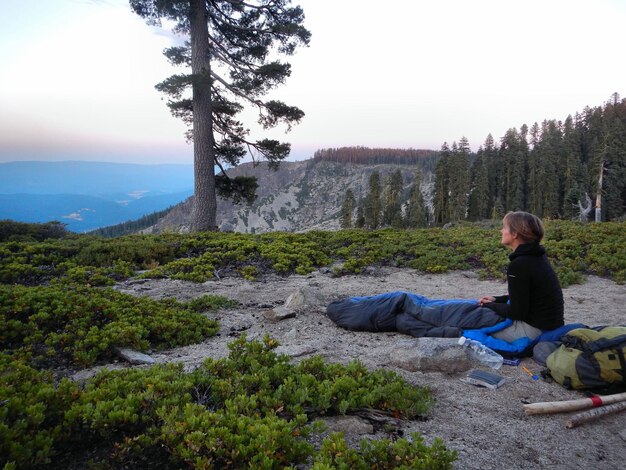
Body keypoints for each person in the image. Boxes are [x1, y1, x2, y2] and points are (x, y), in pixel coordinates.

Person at [478, 211, 564, 342]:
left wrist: (489, 306)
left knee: (475, 330)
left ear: (515, 234)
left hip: (536, 331)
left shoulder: (519, 264)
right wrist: (496, 299)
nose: (501, 230)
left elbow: (517, 312)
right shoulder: (537, 256)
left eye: (505, 227)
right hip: (551, 326)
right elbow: (529, 298)